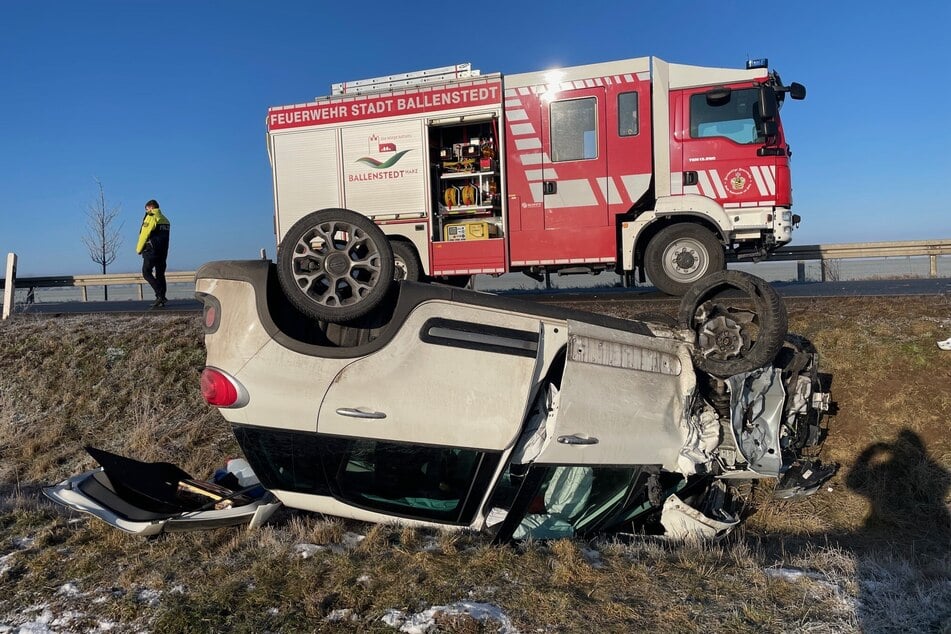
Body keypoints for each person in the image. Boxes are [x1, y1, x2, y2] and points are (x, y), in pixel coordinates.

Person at [136, 199, 171, 308]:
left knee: (146, 272)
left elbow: (144, 234)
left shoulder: (151, 217)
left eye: (146, 209)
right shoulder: (165, 220)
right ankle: (161, 298)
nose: (146, 211)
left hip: (151, 250)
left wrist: (139, 249)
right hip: (163, 251)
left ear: (151, 207)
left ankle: (160, 295)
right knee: (160, 273)